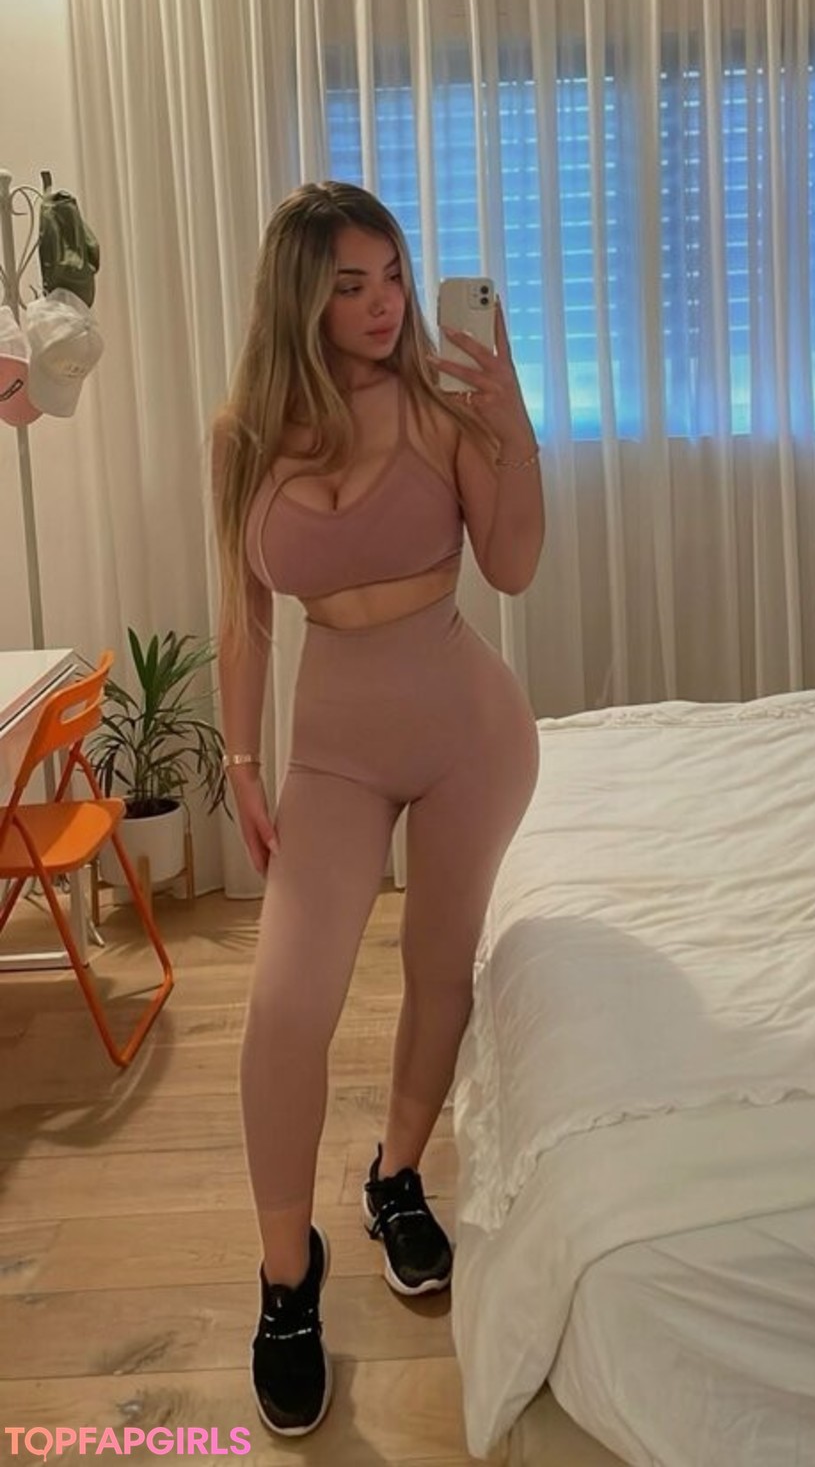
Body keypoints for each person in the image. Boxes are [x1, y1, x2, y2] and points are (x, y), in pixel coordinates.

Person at [210, 181, 543, 1438]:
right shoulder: (245, 434)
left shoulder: (445, 403)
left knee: (437, 970)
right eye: (348, 283)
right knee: (286, 1008)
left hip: (468, 733)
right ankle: (284, 1274)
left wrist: (512, 423)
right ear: (299, 296)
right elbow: (242, 610)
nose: (382, 303)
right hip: (335, 755)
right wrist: (242, 761)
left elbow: (513, 563)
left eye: (392, 274)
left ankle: (397, 1173)